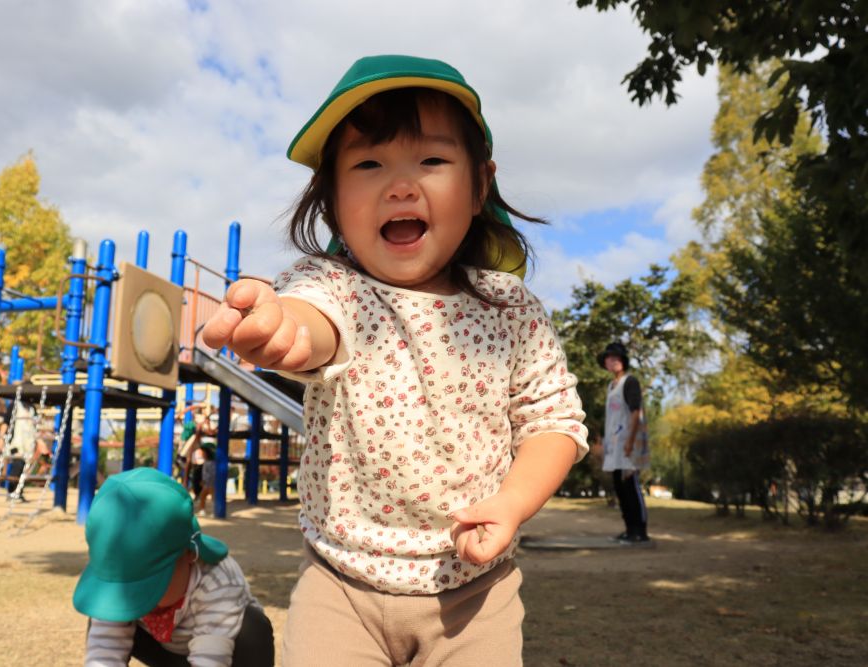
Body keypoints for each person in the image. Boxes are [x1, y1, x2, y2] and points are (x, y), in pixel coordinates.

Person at [202, 55, 588, 666]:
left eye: (432, 160)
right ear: (331, 199)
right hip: (341, 588)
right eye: (368, 164)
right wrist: (282, 331)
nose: (400, 185)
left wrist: (513, 503)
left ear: (480, 184)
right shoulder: (336, 288)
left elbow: (554, 423)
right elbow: (313, 325)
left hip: (475, 596)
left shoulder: (511, 308)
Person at [73, 467, 274, 666]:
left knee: (253, 626)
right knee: (108, 610)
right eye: (128, 586)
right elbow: (104, 653)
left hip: (223, 651)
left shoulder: (218, 581)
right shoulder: (118, 578)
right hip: (166, 651)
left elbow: (210, 661)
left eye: (148, 585)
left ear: (189, 553)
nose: (140, 597)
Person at [597, 341, 650, 545]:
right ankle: (629, 529)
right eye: (610, 357)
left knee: (631, 487)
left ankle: (640, 530)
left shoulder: (630, 382)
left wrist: (630, 442)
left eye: (617, 357)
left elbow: (636, 412)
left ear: (624, 361)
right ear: (606, 363)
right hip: (614, 446)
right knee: (620, 488)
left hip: (628, 444)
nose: (614, 360)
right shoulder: (611, 386)